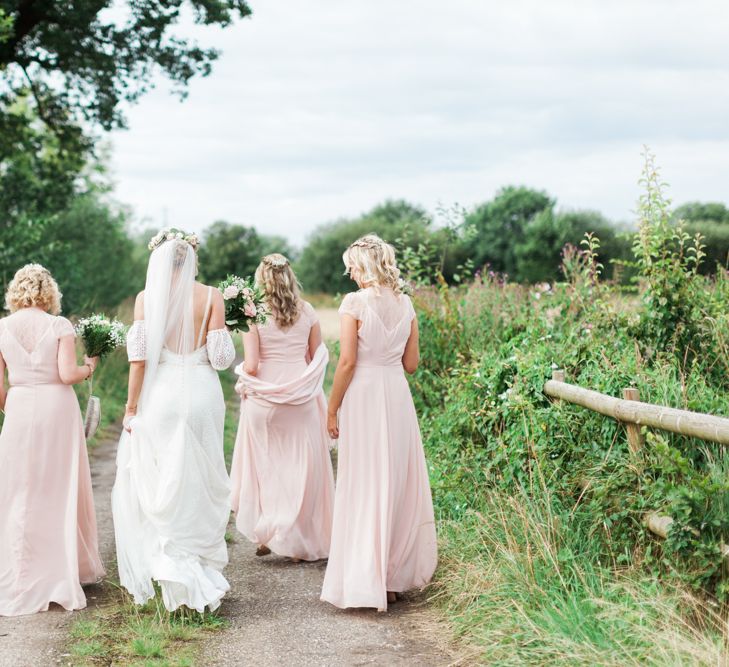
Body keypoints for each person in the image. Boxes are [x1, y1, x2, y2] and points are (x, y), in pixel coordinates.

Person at [111, 229, 236, 613]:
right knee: (200, 474)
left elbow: (139, 360)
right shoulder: (212, 296)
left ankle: (172, 572)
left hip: (162, 394)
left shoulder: (146, 299)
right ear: (192, 259)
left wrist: (131, 407)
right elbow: (220, 358)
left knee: (165, 476)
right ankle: (196, 564)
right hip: (202, 393)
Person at [321, 235, 437, 612]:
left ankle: (366, 577)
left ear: (364, 265)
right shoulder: (406, 304)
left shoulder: (353, 303)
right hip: (397, 394)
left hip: (365, 394)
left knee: (365, 481)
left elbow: (347, 362)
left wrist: (332, 408)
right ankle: (390, 578)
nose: (349, 273)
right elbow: (412, 364)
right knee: (396, 481)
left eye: (352, 265)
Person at [0, 264, 104, 616]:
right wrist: (90, 366)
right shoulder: (59, 325)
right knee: (57, 488)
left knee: (19, 490)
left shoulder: (2, 328)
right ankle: (59, 569)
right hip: (56, 410)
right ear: (49, 292)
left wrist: (14, 407)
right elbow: (66, 374)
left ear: (16, 291)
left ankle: (20, 570)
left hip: (18, 409)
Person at [231, 254, 334, 561]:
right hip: (300, 396)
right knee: (300, 468)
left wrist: (241, 383)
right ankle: (295, 541)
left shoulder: (253, 315)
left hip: (265, 397)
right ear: (290, 277)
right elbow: (317, 357)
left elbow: (250, 364)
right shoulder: (309, 311)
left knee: (266, 466)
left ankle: (270, 531)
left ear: (262, 280)